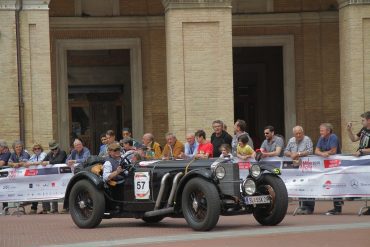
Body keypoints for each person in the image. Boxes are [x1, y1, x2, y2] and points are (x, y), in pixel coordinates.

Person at [314, 123, 343, 215]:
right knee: (331, 183)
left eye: (322, 130)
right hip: (326, 165)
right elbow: (316, 151)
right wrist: (322, 154)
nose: (320, 132)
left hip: (336, 164)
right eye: (320, 130)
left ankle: (338, 207)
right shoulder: (321, 138)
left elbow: (333, 151)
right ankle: (337, 206)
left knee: (336, 183)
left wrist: (323, 153)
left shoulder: (333, 137)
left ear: (328, 131)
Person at [284, 126, 314, 214]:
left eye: (300, 133)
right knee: (301, 186)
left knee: (308, 186)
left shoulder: (307, 139)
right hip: (296, 167)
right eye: (296, 133)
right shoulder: (291, 140)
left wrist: (298, 153)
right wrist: (291, 154)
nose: (298, 135)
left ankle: (309, 207)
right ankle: (302, 206)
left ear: (303, 132)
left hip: (307, 167)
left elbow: (310, 151)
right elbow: (285, 151)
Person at [346, 111, 370, 215]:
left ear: (369, 120)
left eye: (363, 120)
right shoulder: (364, 129)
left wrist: (362, 151)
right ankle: (356, 193)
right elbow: (354, 139)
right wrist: (349, 130)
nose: (362, 121)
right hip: (361, 159)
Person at [41, 140, 67, 214]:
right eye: (52, 149)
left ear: (58, 147)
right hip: (51, 176)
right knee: (49, 190)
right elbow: (43, 161)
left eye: (55, 148)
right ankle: (48, 209)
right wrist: (43, 162)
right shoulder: (49, 154)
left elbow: (59, 160)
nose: (54, 150)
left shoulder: (62, 152)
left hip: (62, 176)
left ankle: (64, 208)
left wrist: (48, 162)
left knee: (62, 191)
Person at [102, 142, 126, 211]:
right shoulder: (108, 163)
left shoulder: (123, 159)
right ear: (110, 152)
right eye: (115, 150)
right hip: (116, 184)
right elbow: (106, 178)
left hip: (125, 180)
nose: (118, 151)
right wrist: (117, 172)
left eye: (119, 149)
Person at [27, 143, 48, 214]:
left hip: (43, 176)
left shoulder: (44, 154)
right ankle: (34, 208)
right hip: (35, 177)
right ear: (33, 150)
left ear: (41, 149)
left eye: (38, 148)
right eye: (35, 149)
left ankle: (45, 209)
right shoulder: (32, 156)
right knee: (35, 191)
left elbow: (40, 162)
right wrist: (33, 163)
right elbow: (27, 163)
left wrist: (33, 163)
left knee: (44, 191)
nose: (37, 150)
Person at [0, 140, 11, 213]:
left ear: (2, 147)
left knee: (4, 192)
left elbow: (1, 163)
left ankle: (5, 209)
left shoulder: (7, 153)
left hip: (5, 176)